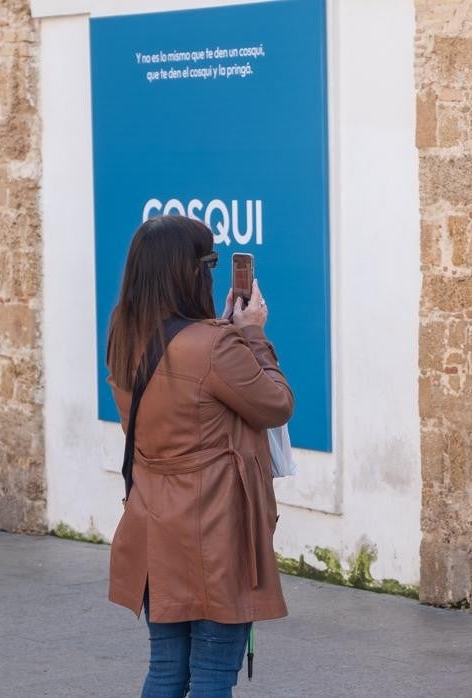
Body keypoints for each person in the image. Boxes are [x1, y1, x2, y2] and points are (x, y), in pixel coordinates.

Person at [105, 215, 292, 697]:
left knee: (166, 668)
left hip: (152, 524)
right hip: (213, 532)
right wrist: (251, 333)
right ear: (190, 273)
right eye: (207, 264)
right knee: (212, 673)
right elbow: (276, 404)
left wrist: (225, 331)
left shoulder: (122, 332)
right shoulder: (215, 345)